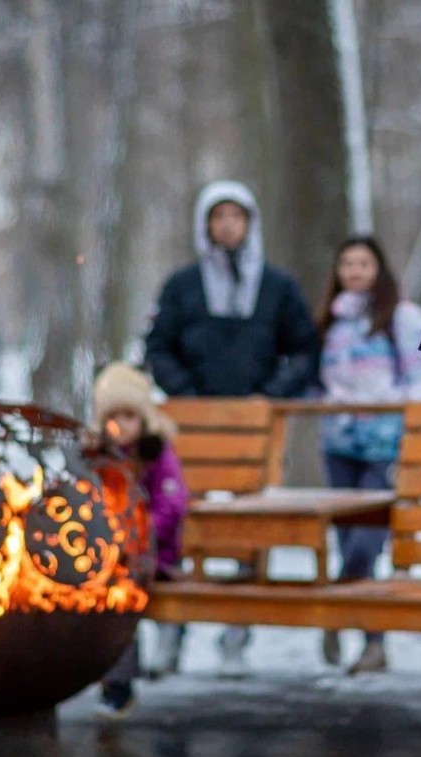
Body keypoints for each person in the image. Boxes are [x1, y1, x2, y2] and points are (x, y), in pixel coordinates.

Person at [143, 179, 319, 677]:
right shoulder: (182, 285)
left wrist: (270, 396)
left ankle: (236, 636)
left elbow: (304, 350)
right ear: (205, 225)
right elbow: (157, 348)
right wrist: (187, 396)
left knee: (250, 531)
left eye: (235, 216)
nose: (227, 226)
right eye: (218, 217)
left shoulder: (277, 286)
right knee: (180, 522)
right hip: (194, 429)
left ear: (249, 223)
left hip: (256, 429)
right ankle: (171, 630)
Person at [314, 235, 421, 675]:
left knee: (365, 543)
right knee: (346, 538)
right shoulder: (331, 319)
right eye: (347, 263)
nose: (354, 271)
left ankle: (336, 611)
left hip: (384, 445)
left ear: (379, 268)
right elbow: (320, 379)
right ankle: (372, 643)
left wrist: (397, 412)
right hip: (339, 443)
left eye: (363, 263)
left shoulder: (400, 316)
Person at [90, 362, 189, 717]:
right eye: (113, 417)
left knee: (119, 596)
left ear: (144, 419)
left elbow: (171, 505)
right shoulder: (98, 458)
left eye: (129, 416)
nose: (121, 425)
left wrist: (138, 534)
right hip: (109, 555)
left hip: (155, 555)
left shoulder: (157, 455)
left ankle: (118, 684)